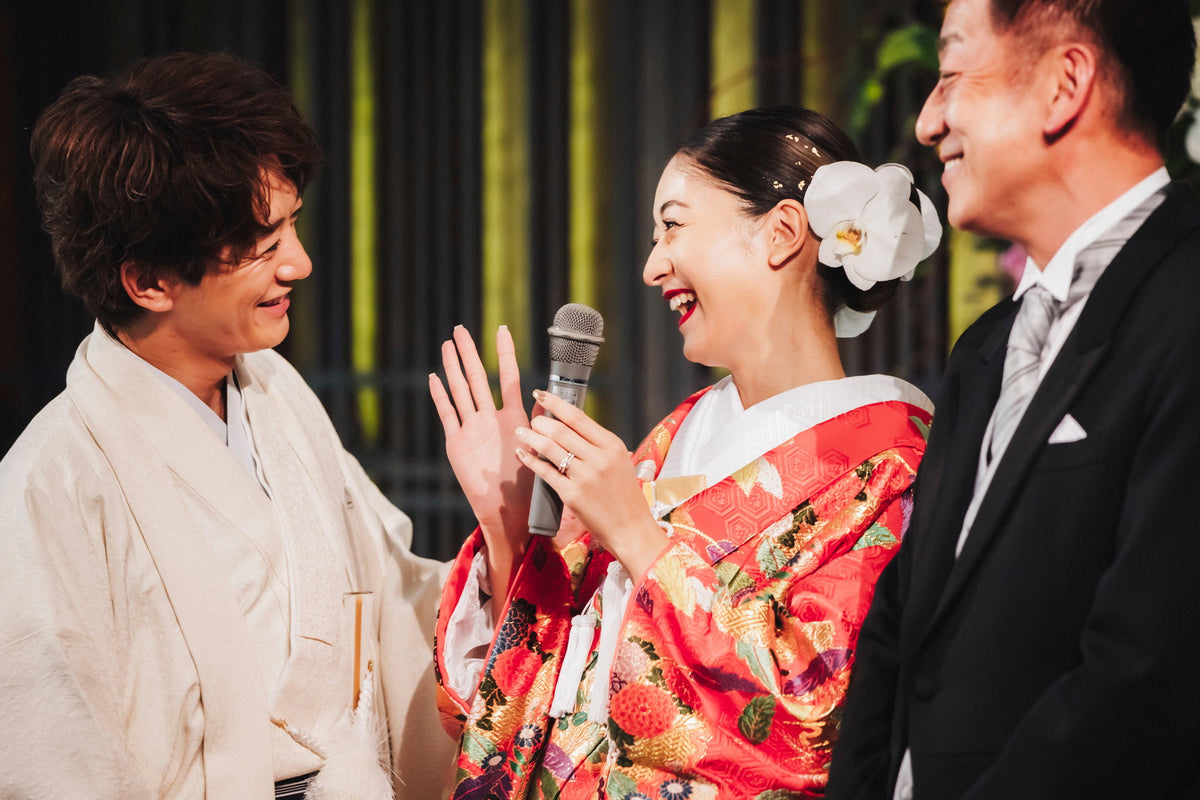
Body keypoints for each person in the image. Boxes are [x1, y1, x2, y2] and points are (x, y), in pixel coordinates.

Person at [428, 106, 940, 799]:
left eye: (672, 225)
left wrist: (642, 540)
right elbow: (535, 691)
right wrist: (509, 530)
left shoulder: (892, 463)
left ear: (782, 233)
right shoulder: (677, 436)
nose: (650, 266)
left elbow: (818, 720)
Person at [0, 52, 454, 799]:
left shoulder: (278, 394)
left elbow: (390, 594)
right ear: (148, 280)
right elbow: (54, 756)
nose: (300, 264)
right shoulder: (54, 481)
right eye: (264, 246)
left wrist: (510, 544)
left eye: (293, 229)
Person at [824, 1, 1200, 798]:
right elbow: (902, 627)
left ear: (1066, 85)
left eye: (953, 74)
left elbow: (1150, 662)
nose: (927, 122)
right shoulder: (986, 348)